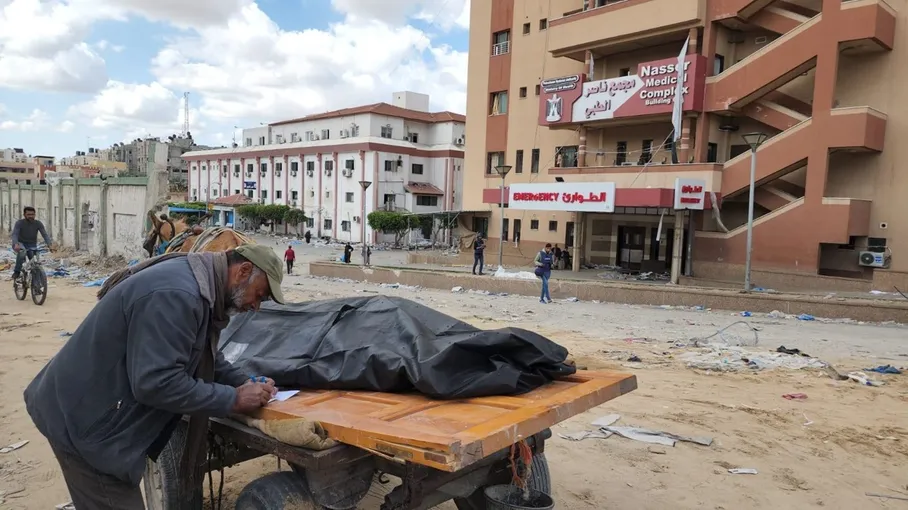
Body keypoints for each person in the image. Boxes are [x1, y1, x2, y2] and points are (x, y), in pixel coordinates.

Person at [23, 244, 286, 510]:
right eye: (260, 295)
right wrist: (233, 399)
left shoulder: (198, 283)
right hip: (84, 424)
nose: (256, 307)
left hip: (93, 412)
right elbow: (156, 383)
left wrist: (241, 381)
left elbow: (201, 353)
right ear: (243, 271)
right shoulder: (178, 295)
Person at [12, 206, 53, 280]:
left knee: (35, 263)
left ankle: (36, 282)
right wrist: (15, 243)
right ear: (24, 215)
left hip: (32, 245)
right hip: (20, 243)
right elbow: (15, 234)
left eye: (32, 214)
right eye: (28, 215)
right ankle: (17, 271)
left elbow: (45, 235)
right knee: (22, 252)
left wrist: (50, 245)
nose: (31, 216)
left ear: (35, 215)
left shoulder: (38, 223)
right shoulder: (19, 223)